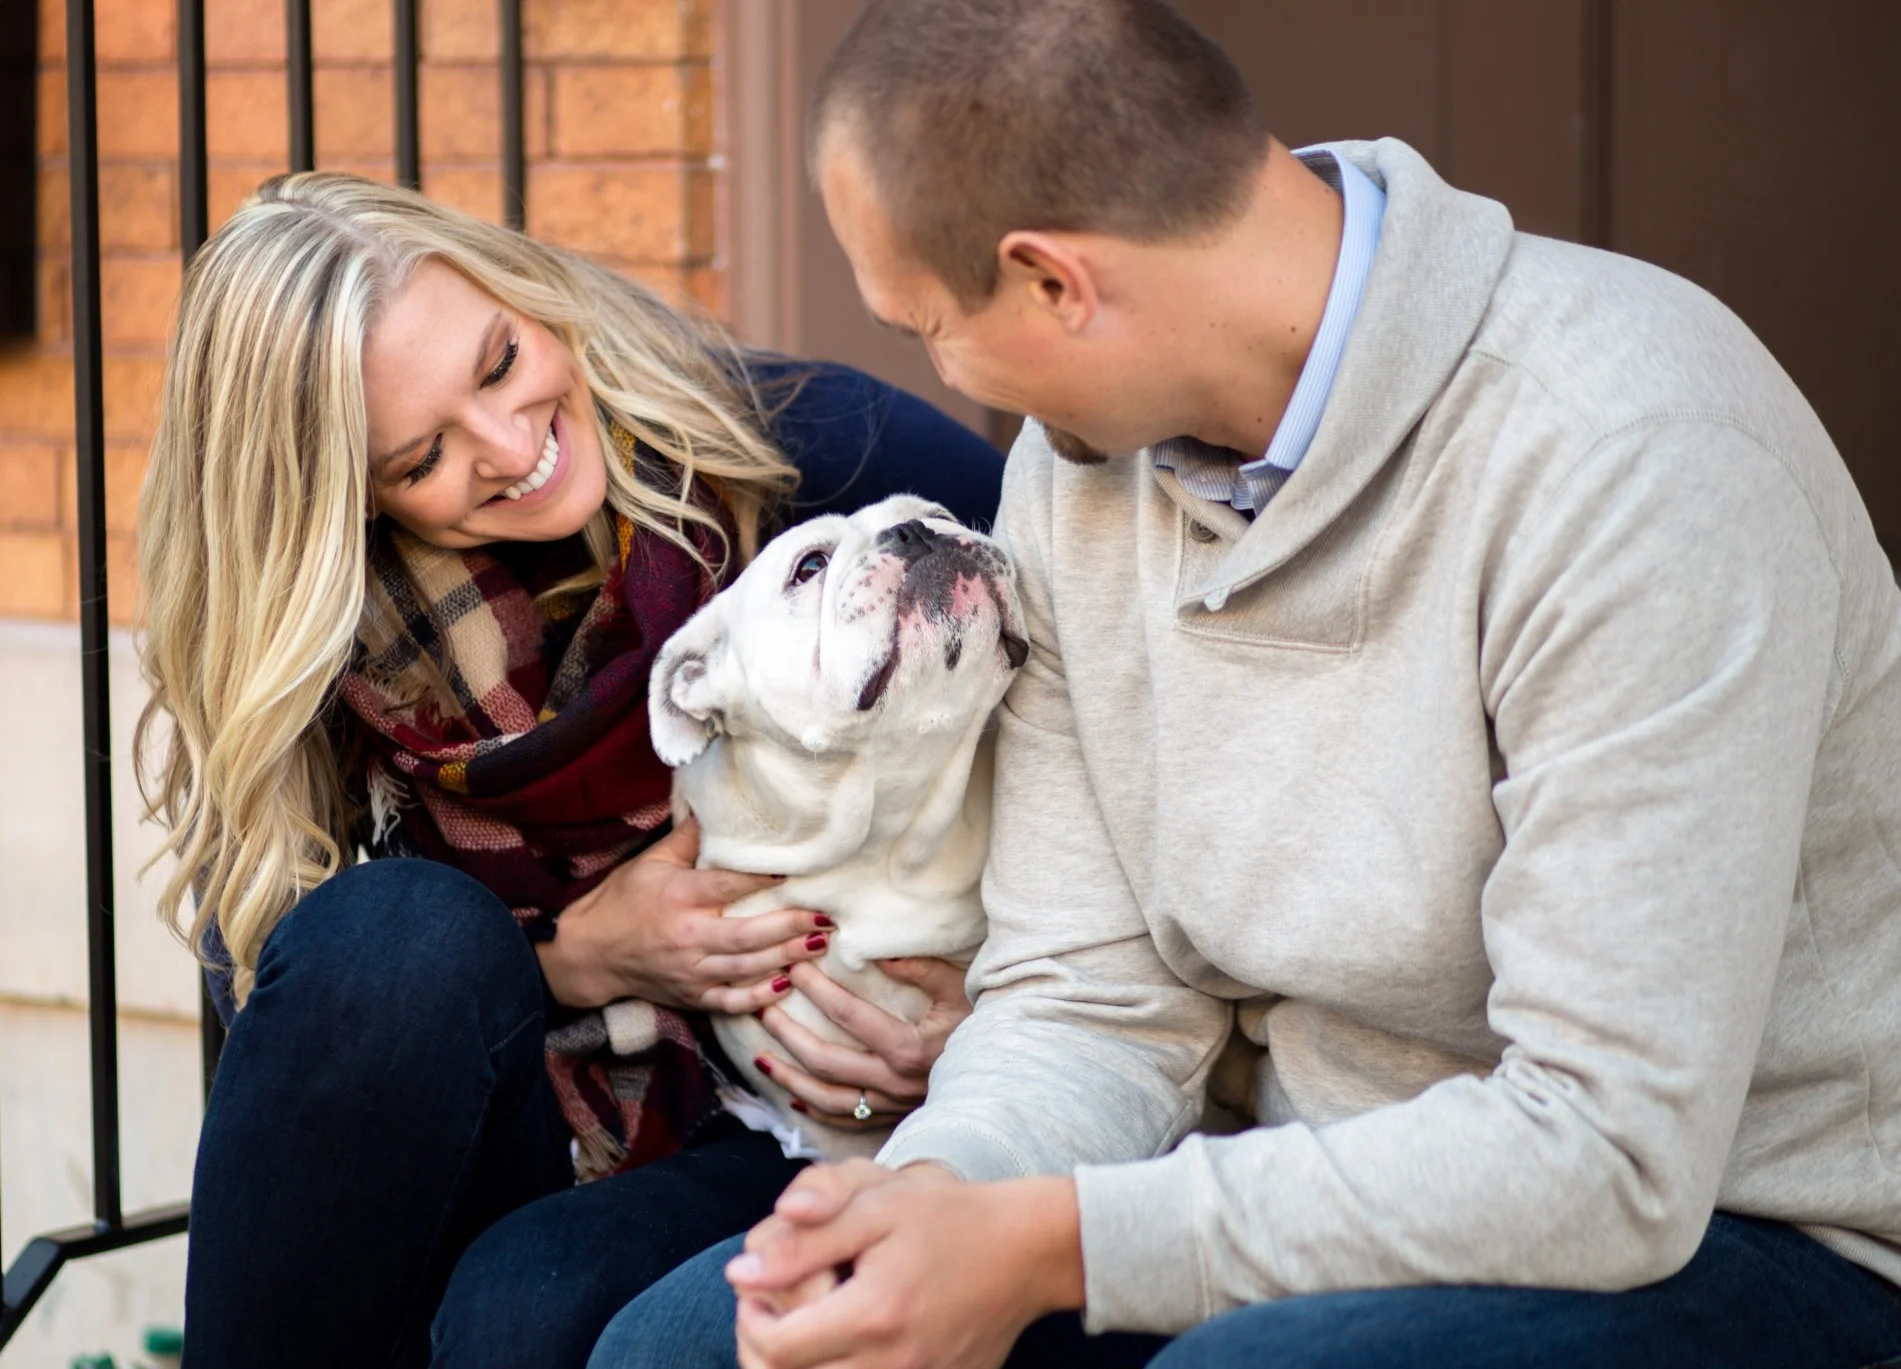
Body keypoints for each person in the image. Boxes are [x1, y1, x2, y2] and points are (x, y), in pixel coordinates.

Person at [591, 2, 1901, 1367]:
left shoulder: (1631, 454)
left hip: (1745, 1227)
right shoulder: (1078, 469)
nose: (945, 375)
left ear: (1055, 283)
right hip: (1291, 1178)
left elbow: (1608, 1154)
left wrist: (1056, 1246)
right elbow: (1086, 993)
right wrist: (943, 1197)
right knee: (688, 1348)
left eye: (925, 325)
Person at [133, 171, 1003, 1369]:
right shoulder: (334, 646)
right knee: (391, 936)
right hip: (509, 1115)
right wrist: (578, 957)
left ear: (527, 294)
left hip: (792, 1116)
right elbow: (301, 1033)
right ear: (345, 503)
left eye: (498, 363)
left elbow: (1093, 683)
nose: (509, 447)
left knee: (527, 1309)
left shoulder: (794, 444)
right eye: (422, 455)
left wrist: (1003, 1021)